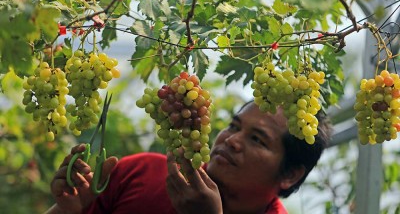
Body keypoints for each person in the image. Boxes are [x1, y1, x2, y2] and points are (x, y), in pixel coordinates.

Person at [45, 101, 332, 214]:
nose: (231, 140)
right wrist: (67, 211)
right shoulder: (140, 172)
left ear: (290, 174)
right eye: (234, 126)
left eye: (257, 139)